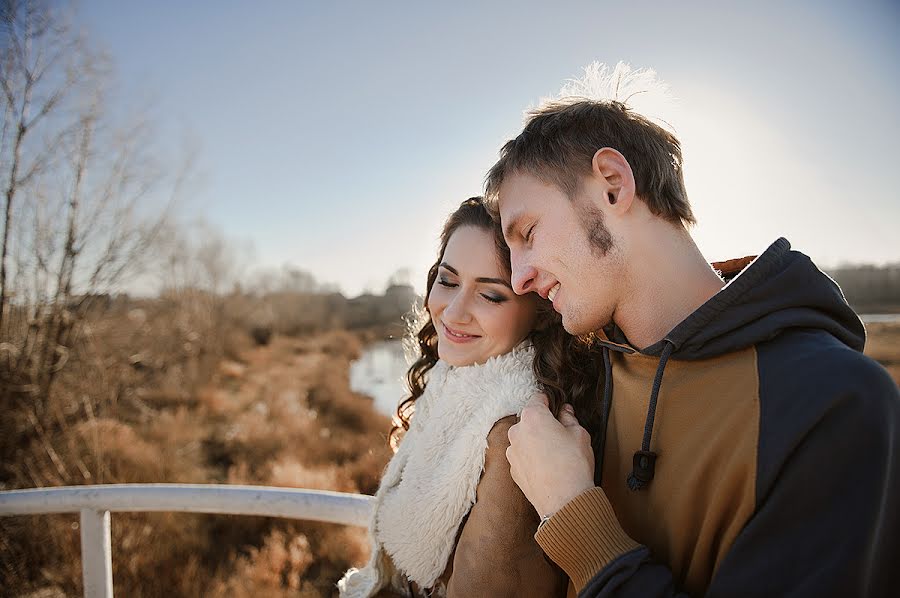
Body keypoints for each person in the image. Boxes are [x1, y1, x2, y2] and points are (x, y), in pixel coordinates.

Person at [484, 94, 900, 596]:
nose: (520, 278)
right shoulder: (583, 373)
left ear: (613, 185)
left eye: (527, 232)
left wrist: (572, 514)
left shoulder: (836, 403)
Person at [338, 197, 599, 597]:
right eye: (447, 280)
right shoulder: (450, 379)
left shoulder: (514, 435)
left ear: (541, 310)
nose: (453, 312)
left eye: (490, 295)